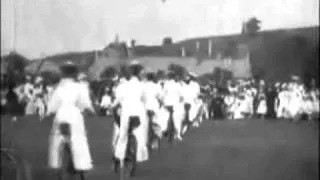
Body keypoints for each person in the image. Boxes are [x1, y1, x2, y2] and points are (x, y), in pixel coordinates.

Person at [46, 61, 95, 179]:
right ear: (74, 73)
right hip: (74, 116)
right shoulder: (80, 87)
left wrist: (48, 113)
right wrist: (91, 111)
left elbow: (52, 107)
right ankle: (82, 168)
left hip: (61, 116)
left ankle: (57, 166)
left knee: (56, 143)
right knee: (80, 143)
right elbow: (86, 104)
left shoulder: (58, 88)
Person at [112, 62, 149, 177]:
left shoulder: (122, 86)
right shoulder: (142, 85)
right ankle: (137, 156)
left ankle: (119, 158)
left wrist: (115, 108)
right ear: (138, 73)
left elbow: (116, 101)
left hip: (125, 113)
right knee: (140, 136)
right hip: (138, 113)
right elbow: (144, 99)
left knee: (121, 137)